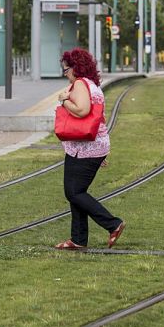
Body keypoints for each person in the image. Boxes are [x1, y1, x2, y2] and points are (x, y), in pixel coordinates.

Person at [55, 48, 125, 250]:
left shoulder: (80, 84)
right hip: (89, 146)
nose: (65, 74)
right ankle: (78, 240)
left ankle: (113, 223)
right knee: (76, 191)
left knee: (74, 192)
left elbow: (82, 110)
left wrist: (64, 99)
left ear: (75, 68)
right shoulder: (92, 85)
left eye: (66, 70)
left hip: (85, 146)